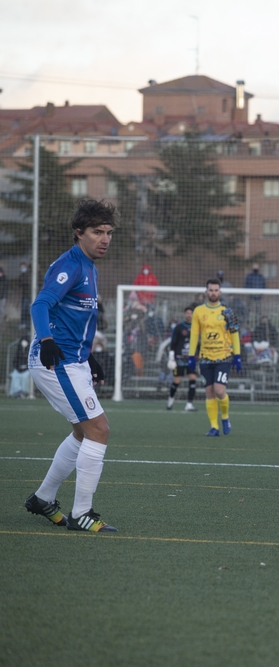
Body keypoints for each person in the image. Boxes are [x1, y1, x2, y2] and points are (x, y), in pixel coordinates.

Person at [23, 199, 118, 533]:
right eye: (97, 232)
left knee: (83, 432)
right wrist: (47, 341)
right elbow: (41, 305)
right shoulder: (71, 265)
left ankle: (42, 498)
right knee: (99, 429)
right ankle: (82, 514)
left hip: (73, 359)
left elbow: (76, 318)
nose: (104, 238)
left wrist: (89, 356)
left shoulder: (89, 265)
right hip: (56, 361)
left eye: (108, 232)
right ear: (79, 233)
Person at [189, 279, 241, 436]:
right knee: (209, 392)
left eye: (216, 290)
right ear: (206, 292)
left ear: (220, 292)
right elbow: (194, 334)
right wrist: (191, 356)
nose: (213, 293)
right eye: (210, 290)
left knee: (219, 391)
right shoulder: (198, 311)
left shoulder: (228, 311)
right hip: (205, 358)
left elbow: (234, 333)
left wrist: (237, 355)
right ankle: (214, 427)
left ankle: (225, 417)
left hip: (223, 356)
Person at [166, 305, 197, 412]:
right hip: (179, 357)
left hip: (191, 358)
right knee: (177, 381)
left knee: (193, 379)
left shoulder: (197, 326)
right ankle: (170, 401)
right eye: (187, 313)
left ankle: (189, 404)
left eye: (191, 313)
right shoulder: (179, 327)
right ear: (185, 314)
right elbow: (173, 342)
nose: (189, 315)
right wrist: (171, 356)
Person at [18, 262, 31, 328]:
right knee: (24, 309)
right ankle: (24, 323)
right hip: (24, 295)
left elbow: (28, 283)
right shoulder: (21, 276)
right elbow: (19, 285)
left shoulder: (29, 275)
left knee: (28, 310)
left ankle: (28, 324)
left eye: (24, 267)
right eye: (21, 267)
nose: (23, 268)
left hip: (29, 295)